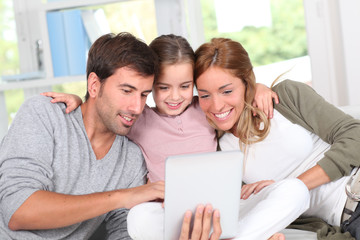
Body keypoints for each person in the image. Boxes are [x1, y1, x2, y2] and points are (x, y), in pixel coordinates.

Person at [44, 34, 299, 240]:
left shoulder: (207, 109)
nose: (174, 97)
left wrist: (261, 89)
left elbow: (234, 94)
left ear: (194, 85)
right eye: (163, 88)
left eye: (185, 87)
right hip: (171, 215)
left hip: (223, 206)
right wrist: (79, 99)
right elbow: (105, 108)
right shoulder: (139, 119)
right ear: (150, 85)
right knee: (138, 218)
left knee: (294, 190)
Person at [0, 32, 166, 239]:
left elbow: (122, 231)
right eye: (126, 91)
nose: (137, 107)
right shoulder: (44, 114)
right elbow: (17, 211)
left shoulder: (131, 159)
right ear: (94, 85)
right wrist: (121, 197)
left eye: (144, 95)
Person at [194, 37, 360, 239]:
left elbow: (355, 136)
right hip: (347, 220)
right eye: (204, 95)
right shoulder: (221, 151)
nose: (216, 106)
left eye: (227, 91)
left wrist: (289, 186)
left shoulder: (285, 98)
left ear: (247, 82)